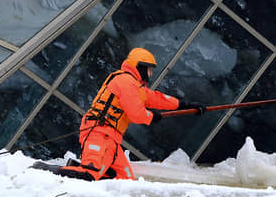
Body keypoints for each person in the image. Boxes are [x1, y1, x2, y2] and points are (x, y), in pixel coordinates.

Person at [52, 47, 205, 181]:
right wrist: (152, 117)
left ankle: (76, 168)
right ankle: (42, 171)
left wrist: (184, 105)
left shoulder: (133, 86)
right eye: (149, 69)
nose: (150, 73)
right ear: (140, 67)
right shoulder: (126, 82)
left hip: (110, 138)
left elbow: (156, 98)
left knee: (123, 179)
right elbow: (136, 114)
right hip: (100, 134)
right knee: (89, 175)